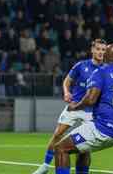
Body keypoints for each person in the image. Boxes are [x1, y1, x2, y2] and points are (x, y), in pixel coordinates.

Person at [53, 43, 113, 174]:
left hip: (102, 128)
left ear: (106, 55)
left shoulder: (101, 71)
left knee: (60, 148)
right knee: (83, 150)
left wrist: (75, 107)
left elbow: (90, 99)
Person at [32, 39, 107, 174]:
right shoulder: (81, 65)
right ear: (92, 50)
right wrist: (67, 92)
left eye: (103, 50)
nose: (101, 52)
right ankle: (44, 166)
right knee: (57, 134)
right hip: (74, 106)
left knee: (85, 147)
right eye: (98, 49)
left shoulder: (105, 70)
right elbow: (67, 81)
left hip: (92, 111)